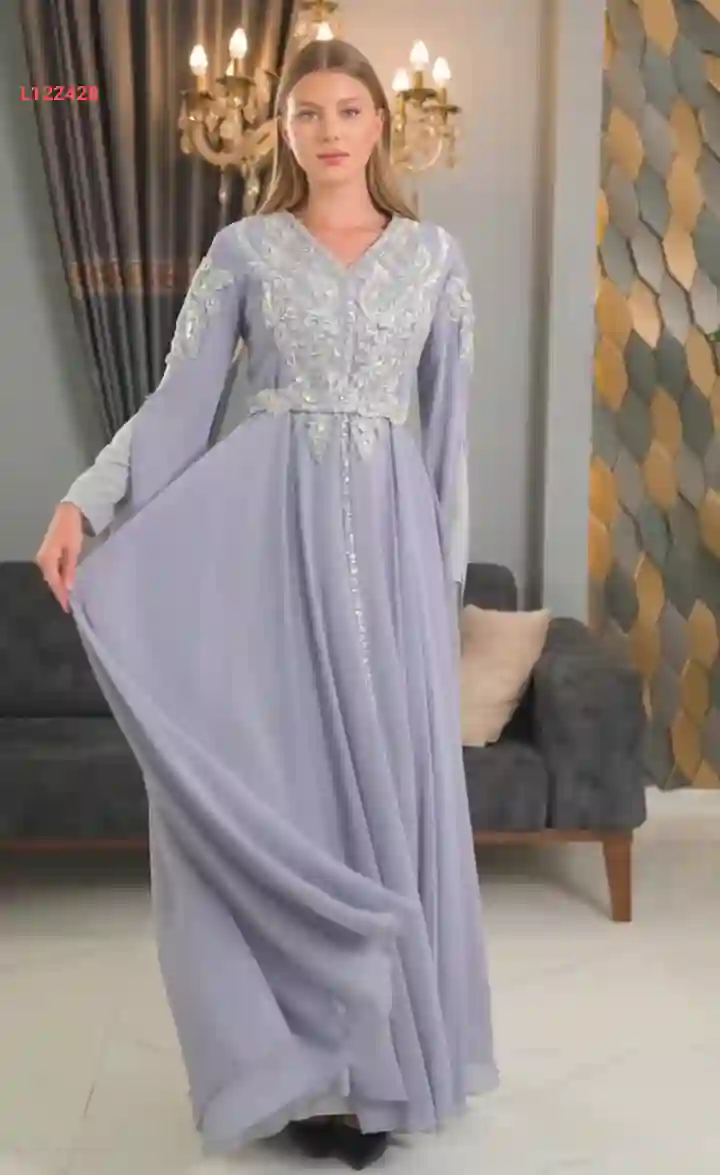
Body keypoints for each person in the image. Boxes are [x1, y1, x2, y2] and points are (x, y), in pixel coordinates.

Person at [35, 37, 498, 1171]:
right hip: (266, 550)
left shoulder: (435, 259)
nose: (329, 131)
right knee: (292, 786)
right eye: (307, 113)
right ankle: (304, 1066)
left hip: (391, 555)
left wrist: (439, 590)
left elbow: (450, 442)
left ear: (382, 124)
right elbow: (177, 404)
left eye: (349, 110)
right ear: (281, 130)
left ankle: (387, 1067)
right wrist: (85, 501)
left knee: (385, 793)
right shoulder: (244, 250)